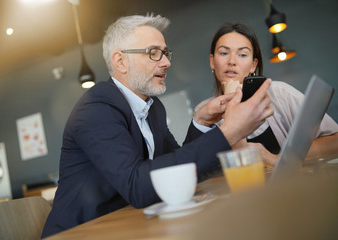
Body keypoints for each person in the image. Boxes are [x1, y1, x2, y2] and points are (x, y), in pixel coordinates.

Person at [41, 15, 273, 237]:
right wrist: (229, 131)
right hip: (81, 234)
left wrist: (200, 123)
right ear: (120, 61)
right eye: (154, 53)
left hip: (127, 228)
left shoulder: (153, 108)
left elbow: (177, 167)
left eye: (165, 53)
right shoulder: (96, 107)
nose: (167, 62)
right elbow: (137, 186)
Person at [197, 22, 338, 166]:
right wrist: (231, 104)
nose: (232, 61)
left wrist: (276, 160)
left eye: (242, 54)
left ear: (253, 65)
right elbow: (213, 169)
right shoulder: (204, 112)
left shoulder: (279, 93)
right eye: (224, 53)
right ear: (212, 61)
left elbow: (335, 140)